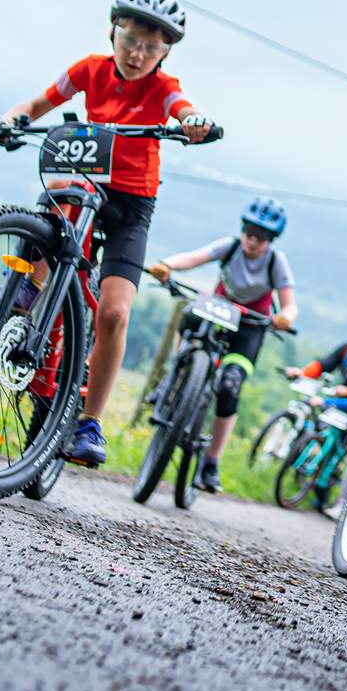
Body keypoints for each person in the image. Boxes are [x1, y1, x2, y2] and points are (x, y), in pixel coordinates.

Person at [0, 0, 211, 467]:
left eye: (151, 47)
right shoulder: (89, 69)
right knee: (57, 189)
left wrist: (194, 122)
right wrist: (7, 120)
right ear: (113, 32)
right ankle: (27, 286)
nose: (137, 54)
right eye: (130, 40)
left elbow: (182, 107)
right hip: (86, 180)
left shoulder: (164, 87)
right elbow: (37, 104)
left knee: (114, 314)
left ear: (164, 53)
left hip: (131, 204)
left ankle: (90, 423)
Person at [147, 196, 298, 492]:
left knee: (230, 387)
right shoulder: (230, 246)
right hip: (217, 310)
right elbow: (194, 258)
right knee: (189, 317)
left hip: (250, 326)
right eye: (249, 232)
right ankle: (174, 376)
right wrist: (166, 265)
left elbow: (290, 303)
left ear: (270, 240)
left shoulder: (276, 262)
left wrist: (284, 317)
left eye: (261, 236)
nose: (252, 240)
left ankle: (211, 462)